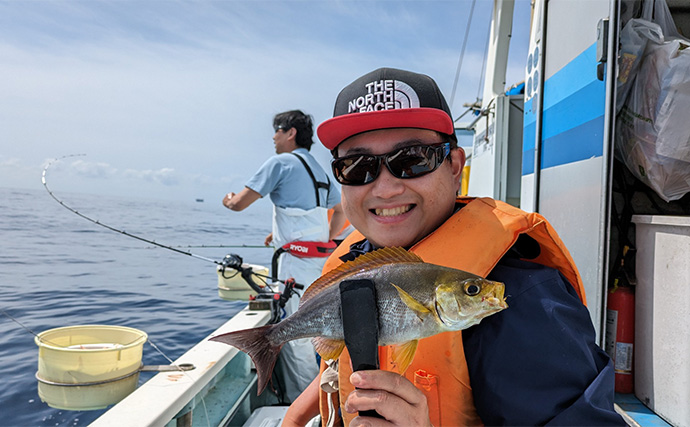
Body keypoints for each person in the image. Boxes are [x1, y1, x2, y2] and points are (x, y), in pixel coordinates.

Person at [282, 68, 624, 426]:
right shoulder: (357, 261)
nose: (384, 189)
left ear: (454, 166)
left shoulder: (528, 305)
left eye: (412, 159)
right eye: (356, 167)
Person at [222, 109, 346, 402]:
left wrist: (227, 200)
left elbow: (239, 204)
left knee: (298, 337)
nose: (274, 136)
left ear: (291, 132)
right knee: (322, 329)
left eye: (278, 129)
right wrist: (318, 239)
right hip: (319, 263)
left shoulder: (279, 163)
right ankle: (325, 398)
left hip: (294, 267)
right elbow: (340, 209)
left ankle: (302, 408)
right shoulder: (318, 169)